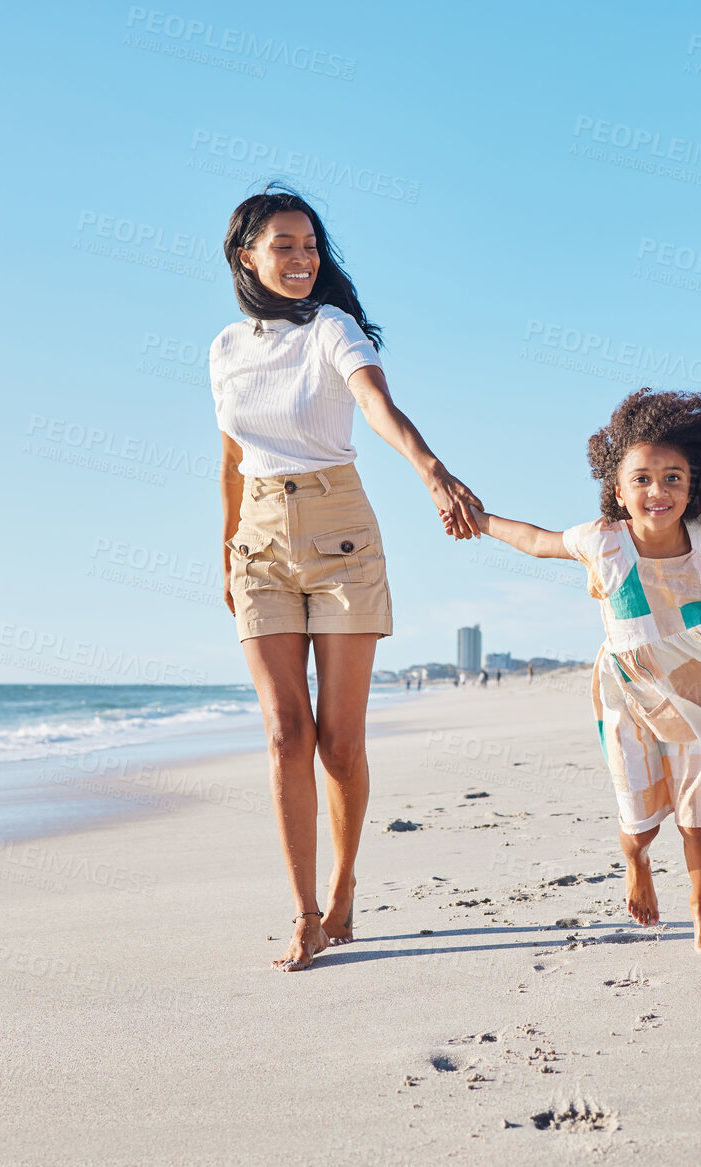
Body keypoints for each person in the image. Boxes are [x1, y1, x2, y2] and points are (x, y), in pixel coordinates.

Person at [212, 184, 481, 972]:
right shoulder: (226, 349)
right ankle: (302, 913)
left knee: (339, 740)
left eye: (309, 246)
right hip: (257, 541)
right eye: (283, 246)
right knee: (283, 732)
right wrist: (224, 547)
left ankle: (344, 884)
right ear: (246, 257)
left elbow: (376, 406)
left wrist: (433, 471)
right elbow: (230, 456)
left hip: (340, 535)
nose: (301, 259)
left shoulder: (334, 328)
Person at [455, 389, 701, 953]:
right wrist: (480, 520)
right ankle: (637, 862)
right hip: (632, 695)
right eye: (643, 480)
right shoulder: (602, 541)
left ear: (693, 482)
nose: (659, 491)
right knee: (641, 819)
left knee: (697, 815)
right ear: (617, 489)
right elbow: (535, 541)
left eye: (674, 477)